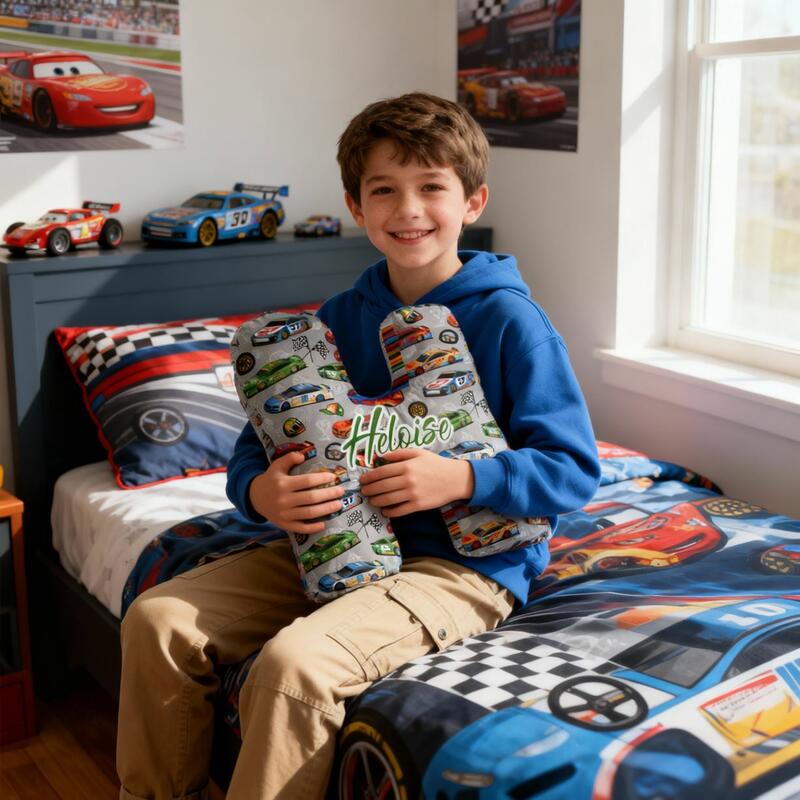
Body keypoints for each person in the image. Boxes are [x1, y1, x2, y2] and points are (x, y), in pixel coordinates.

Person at [116, 92, 600, 800]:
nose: (408, 209)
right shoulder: (338, 319)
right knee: (157, 620)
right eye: (384, 190)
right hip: (328, 546)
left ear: (472, 201)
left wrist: (462, 479)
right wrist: (259, 492)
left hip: (462, 565)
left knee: (293, 668)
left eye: (431, 187)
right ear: (356, 206)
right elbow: (260, 443)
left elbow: (573, 469)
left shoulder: (510, 321)